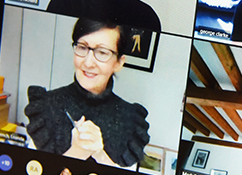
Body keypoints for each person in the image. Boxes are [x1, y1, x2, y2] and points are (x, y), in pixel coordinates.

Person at [25, 18, 150, 167]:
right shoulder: (45, 106)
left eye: (102, 52)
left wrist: (99, 154)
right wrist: (77, 151)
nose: (88, 62)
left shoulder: (132, 119)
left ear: (118, 63)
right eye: (83, 47)